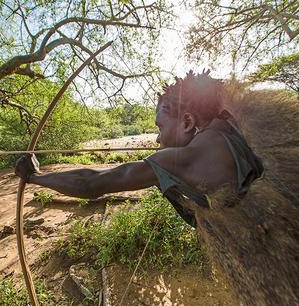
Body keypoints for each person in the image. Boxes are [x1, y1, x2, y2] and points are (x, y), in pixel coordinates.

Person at [15, 70, 264, 226]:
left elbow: (92, 184)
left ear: (187, 122)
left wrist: (35, 176)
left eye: (160, 127)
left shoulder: (183, 158)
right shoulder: (227, 125)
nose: (158, 139)